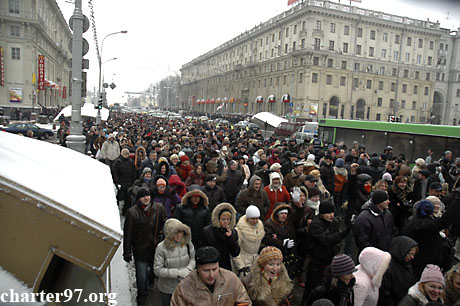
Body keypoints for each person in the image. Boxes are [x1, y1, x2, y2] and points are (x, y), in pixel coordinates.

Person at [123, 187, 166, 306]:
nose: (146, 198)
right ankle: (142, 297)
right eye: (143, 196)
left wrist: (161, 235)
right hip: (140, 249)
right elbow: (128, 233)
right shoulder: (132, 212)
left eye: (148, 195)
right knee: (141, 276)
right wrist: (127, 251)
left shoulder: (158, 208)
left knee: (152, 272)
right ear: (138, 199)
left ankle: (151, 285)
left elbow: (164, 224)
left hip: (155, 249)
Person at [303, 200, 352, 304]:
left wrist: (335, 249)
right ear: (321, 214)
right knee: (311, 290)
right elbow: (327, 240)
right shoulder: (316, 225)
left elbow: (336, 241)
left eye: (332, 213)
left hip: (328, 263)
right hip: (316, 264)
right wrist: (344, 233)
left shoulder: (333, 222)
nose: (331, 215)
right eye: (328, 213)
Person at [170, 246, 251, 306]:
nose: (211, 275)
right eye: (206, 270)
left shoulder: (232, 280)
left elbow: (245, 302)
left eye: (215, 269)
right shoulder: (184, 288)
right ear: (197, 269)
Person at [403, 199, 460, 279]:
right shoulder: (424, 225)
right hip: (423, 265)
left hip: (421, 263)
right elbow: (445, 220)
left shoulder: (412, 223)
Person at [154, 218, 195, 306]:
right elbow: (157, 269)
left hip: (185, 286)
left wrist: (188, 269)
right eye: (175, 233)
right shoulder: (161, 248)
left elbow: (193, 258)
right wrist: (178, 273)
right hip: (167, 288)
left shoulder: (188, 243)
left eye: (180, 232)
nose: (178, 235)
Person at [378, 236, 419, 306]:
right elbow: (384, 294)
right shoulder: (387, 268)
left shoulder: (407, 264)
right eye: (409, 254)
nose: (412, 257)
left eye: (413, 254)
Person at [202, 203, 240, 271]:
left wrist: (230, 238)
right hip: (211, 265)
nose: (225, 222)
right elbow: (203, 250)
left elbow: (235, 253)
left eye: (228, 219)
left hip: (226, 266)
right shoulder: (208, 231)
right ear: (218, 218)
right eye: (223, 219)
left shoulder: (233, 232)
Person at [233, 205, 265, 277]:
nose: (255, 221)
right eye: (253, 218)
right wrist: (241, 266)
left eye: (257, 218)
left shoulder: (260, 227)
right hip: (244, 262)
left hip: (256, 261)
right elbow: (234, 250)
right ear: (247, 218)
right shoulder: (239, 230)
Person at [112, 148, 138, 215]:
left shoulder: (131, 162)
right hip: (121, 183)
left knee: (128, 199)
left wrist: (134, 181)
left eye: (127, 154)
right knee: (120, 198)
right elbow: (115, 173)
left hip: (129, 182)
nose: (126, 156)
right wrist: (117, 182)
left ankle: (125, 211)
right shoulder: (117, 162)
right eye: (125, 154)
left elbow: (134, 172)